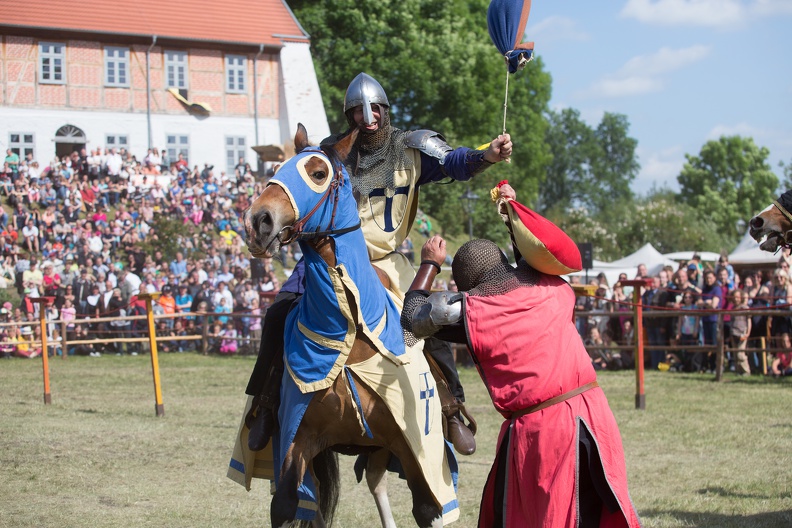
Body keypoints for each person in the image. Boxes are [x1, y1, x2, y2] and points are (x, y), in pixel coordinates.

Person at [244, 72, 512, 454]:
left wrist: (488, 155)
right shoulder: (330, 155)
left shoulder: (412, 149)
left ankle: (450, 406)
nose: (367, 118)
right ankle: (267, 403)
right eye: (357, 111)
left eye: (374, 110)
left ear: (386, 111)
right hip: (330, 255)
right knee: (279, 314)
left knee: (423, 317)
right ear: (349, 115)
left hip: (386, 260)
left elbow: (455, 162)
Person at [401, 194, 640, 526]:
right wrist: (511, 216)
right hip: (595, 416)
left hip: (544, 433)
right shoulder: (555, 287)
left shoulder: (474, 314)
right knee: (597, 515)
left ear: (467, 287)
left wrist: (429, 263)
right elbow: (533, 257)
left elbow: (411, 323)